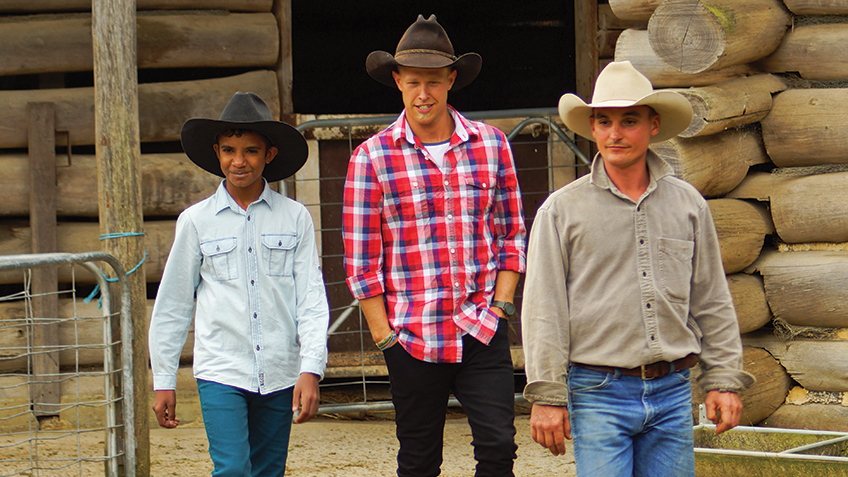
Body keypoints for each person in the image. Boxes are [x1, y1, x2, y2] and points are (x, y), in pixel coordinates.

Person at [521, 61, 755, 476]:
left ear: (653, 125)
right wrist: (548, 394)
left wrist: (722, 377)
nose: (615, 133)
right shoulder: (561, 211)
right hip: (598, 391)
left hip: (672, 391)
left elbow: (711, 298)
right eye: (604, 121)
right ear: (592, 128)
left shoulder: (687, 204)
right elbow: (544, 308)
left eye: (629, 120)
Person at [343, 14, 526, 477]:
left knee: (499, 448)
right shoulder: (371, 157)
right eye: (413, 82)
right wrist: (386, 339)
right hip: (412, 334)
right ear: (397, 82)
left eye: (433, 81)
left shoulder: (492, 145)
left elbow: (511, 233)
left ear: (451, 80)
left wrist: (501, 306)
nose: (423, 93)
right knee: (419, 461)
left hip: (480, 326)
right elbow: (362, 262)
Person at [148, 92, 330, 476]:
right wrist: (164, 379)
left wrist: (311, 368)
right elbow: (174, 303)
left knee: (268, 470)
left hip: (280, 370)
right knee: (232, 469)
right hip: (221, 370)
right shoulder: (196, 221)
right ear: (216, 152)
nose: (239, 161)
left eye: (251, 151)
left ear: (270, 154)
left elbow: (311, 298)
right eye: (229, 150)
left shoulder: (295, 218)